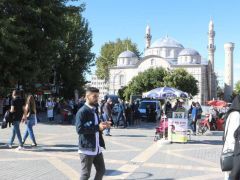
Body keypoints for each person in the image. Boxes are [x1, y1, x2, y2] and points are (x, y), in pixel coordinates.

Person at [75, 87, 110, 180]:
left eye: (97, 96)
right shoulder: (82, 111)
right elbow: (79, 129)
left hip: (96, 147)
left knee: (101, 170)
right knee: (86, 175)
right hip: (87, 149)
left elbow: (96, 126)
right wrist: (97, 127)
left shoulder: (93, 110)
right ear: (87, 96)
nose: (97, 98)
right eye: (94, 96)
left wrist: (103, 126)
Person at [222, 95, 240, 180]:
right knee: (233, 173)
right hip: (233, 149)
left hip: (228, 147)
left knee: (229, 173)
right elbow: (235, 133)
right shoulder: (237, 115)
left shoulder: (231, 113)